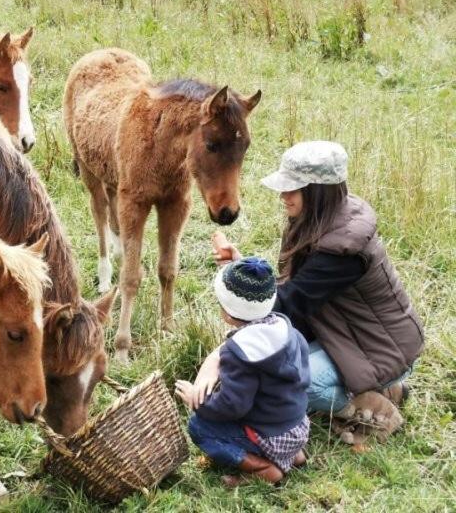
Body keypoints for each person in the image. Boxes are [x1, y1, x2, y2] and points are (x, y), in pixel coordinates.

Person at [208, 141, 424, 423]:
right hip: (343, 333)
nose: (284, 195)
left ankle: (367, 410)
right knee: (270, 366)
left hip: (378, 347)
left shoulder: (343, 251)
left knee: (291, 381)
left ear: (318, 191)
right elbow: (295, 290)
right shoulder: (320, 218)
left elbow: (289, 303)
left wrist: (234, 284)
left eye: (293, 188)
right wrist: (240, 267)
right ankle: (383, 388)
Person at [176, 257, 310, 487]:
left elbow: (233, 405)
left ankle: (264, 468)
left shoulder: (240, 356)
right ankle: (293, 456)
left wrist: (199, 403)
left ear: (229, 313)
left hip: (271, 434)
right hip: (297, 425)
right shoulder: (285, 327)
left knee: (199, 427)